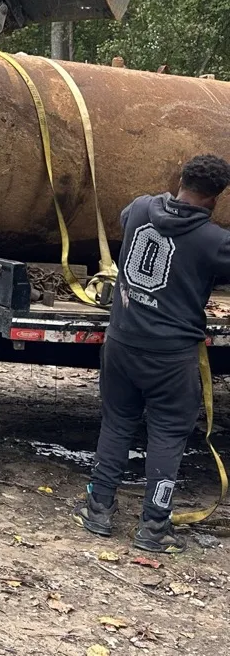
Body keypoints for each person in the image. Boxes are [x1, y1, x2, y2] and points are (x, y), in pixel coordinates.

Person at [74, 154, 230, 554]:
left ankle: (98, 511)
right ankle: (153, 527)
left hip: (122, 342)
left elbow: (129, 219)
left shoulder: (142, 208)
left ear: (180, 178)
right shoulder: (214, 241)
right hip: (171, 356)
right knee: (167, 434)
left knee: (117, 423)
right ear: (217, 197)